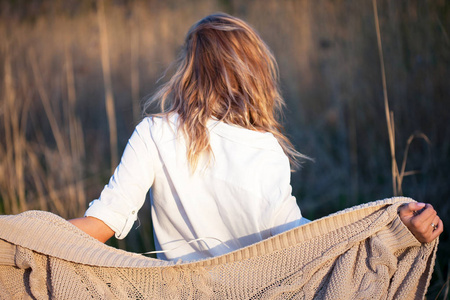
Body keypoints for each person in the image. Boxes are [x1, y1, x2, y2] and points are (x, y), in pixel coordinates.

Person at [69, 13, 443, 261]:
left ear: (190, 71)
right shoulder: (267, 150)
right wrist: (394, 230)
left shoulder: (154, 133)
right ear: (256, 76)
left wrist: (24, 237)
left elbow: (102, 224)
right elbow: (302, 246)